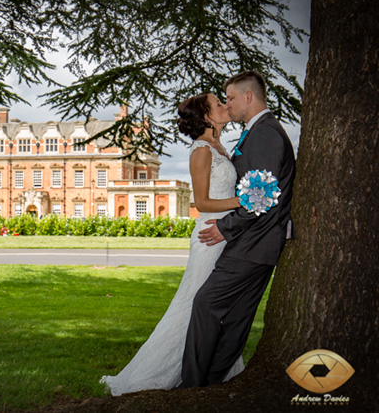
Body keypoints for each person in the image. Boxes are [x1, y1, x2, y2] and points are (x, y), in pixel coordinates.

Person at [100, 92, 244, 396]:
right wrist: (245, 201)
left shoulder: (220, 146)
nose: (224, 106)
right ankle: (148, 375)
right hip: (209, 235)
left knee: (215, 304)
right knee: (194, 304)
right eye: (218, 104)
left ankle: (219, 366)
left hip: (225, 234)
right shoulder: (201, 151)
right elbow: (201, 201)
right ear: (206, 116)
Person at [180, 70, 296, 388]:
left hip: (252, 242)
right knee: (236, 319)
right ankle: (213, 382)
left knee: (206, 304)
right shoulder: (257, 132)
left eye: (230, 98)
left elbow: (262, 194)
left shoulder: (265, 134)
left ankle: (191, 386)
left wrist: (226, 228)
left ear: (248, 97)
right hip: (259, 243)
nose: (228, 105)